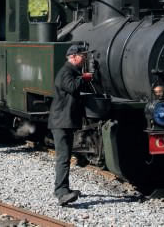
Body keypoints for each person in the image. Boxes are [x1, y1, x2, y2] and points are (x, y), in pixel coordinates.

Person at [48, 44, 93, 206]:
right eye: (82, 55)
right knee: (63, 158)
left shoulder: (71, 71)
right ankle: (61, 192)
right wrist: (84, 78)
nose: (84, 58)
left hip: (64, 121)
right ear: (73, 56)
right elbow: (72, 87)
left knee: (65, 157)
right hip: (61, 121)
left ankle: (63, 188)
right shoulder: (66, 72)